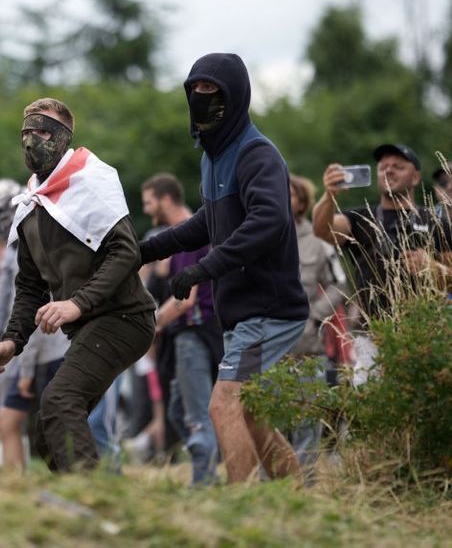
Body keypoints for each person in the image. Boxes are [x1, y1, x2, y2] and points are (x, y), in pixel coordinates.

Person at [138, 53, 308, 484]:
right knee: (251, 413)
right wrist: (146, 251)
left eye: (212, 91)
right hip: (243, 313)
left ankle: (245, 508)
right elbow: (204, 224)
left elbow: (268, 221)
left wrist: (204, 269)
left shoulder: (256, 154)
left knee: (223, 404)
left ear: (235, 97)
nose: (201, 98)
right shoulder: (213, 158)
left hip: (267, 308)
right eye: (195, 90)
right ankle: (298, 500)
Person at [0, 97, 155, 472]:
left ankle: (92, 500)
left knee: (60, 402)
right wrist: (12, 341)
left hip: (125, 318)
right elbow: (29, 286)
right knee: (47, 429)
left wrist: (77, 303)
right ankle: (77, 502)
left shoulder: (92, 181)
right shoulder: (30, 205)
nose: (31, 140)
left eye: (42, 131)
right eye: (25, 132)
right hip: (89, 326)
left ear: (63, 137)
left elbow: (127, 253)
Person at [142, 173, 223, 485]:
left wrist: (149, 326)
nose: (148, 211)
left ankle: (204, 481)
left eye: (150, 203)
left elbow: (184, 301)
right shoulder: (181, 237)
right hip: (188, 336)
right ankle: (215, 464)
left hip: (194, 333)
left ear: (165, 199)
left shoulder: (190, 235)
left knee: (195, 415)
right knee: (179, 410)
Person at [313, 144, 452, 324]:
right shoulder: (360, 218)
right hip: (372, 332)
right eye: (383, 167)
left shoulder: (435, 222)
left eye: (398, 167)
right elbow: (322, 230)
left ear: (416, 177)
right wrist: (329, 195)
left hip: (423, 334)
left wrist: (432, 268)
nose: (389, 171)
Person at [285, 174, 348, 468]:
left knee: (307, 420)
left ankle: (305, 488)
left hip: (307, 345)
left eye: (289, 193)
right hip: (263, 344)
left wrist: (314, 314)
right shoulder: (257, 233)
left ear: (302, 203)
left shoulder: (318, 243)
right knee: (266, 418)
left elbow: (340, 283)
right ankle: (263, 489)